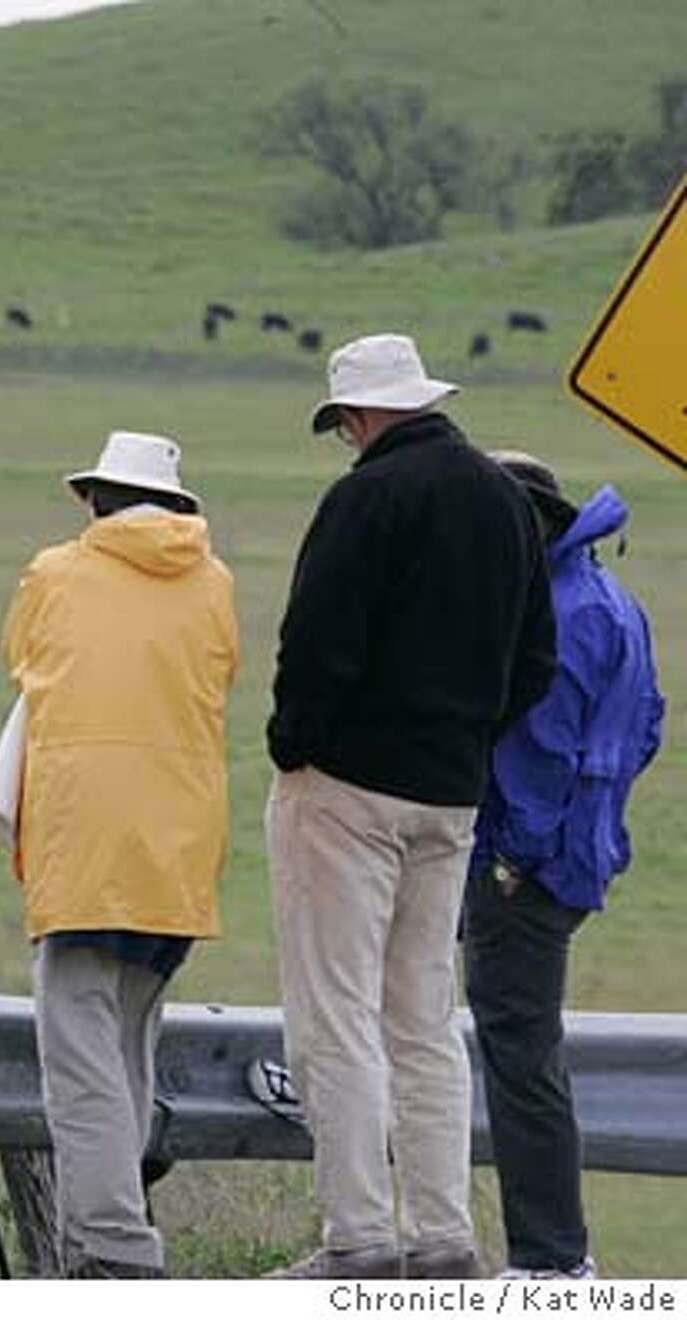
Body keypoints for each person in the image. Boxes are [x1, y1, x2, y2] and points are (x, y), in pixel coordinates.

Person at [265, 334, 555, 1281]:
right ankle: (443, 1236)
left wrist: (294, 742)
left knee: (338, 1016)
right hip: (451, 793)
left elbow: (316, 644)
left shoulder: (366, 498)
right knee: (425, 1020)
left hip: (349, 787)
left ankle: (358, 1236)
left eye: (344, 425)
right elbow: (536, 661)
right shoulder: (505, 502)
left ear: (360, 415)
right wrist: (467, 736)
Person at [0, 431, 237, 1280]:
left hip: (86, 842)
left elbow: (22, 657)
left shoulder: (55, 573)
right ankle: (113, 1224)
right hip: (179, 849)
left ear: (97, 500)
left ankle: (111, 1248)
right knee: (129, 1044)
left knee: (80, 1060)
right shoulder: (214, 583)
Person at [465, 452, 663, 1282]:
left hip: (530, 868)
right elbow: (647, 725)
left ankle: (549, 1258)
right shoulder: (611, 599)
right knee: (526, 1047)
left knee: (520, 1054)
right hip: (579, 855)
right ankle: (552, 1254)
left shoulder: (557, 609)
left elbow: (539, 753)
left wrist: (514, 855)